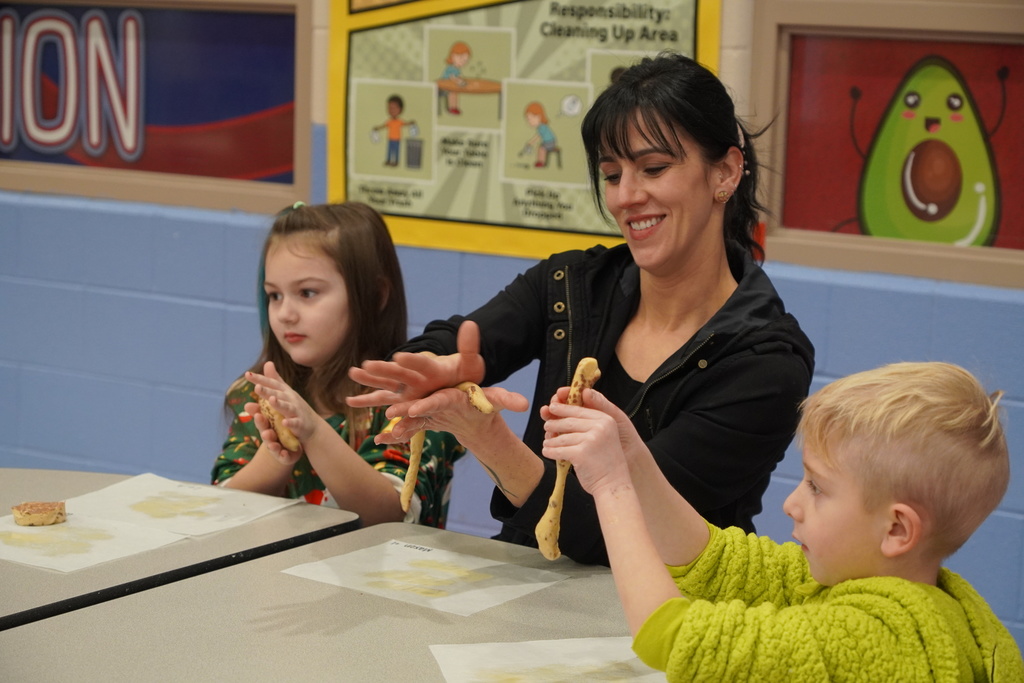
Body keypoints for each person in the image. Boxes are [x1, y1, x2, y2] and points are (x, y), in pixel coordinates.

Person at [349, 52, 815, 564]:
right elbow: (455, 341)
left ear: (725, 171)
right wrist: (434, 367)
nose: (627, 197)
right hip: (532, 588)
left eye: (654, 168)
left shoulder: (765, 362)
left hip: (667, 615)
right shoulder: (572, 284)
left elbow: (614, 533)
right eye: (612, 175)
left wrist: (486, 437)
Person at [541, 361, 1023, 680]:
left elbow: (673, 635)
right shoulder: (887, 588)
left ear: (896, 529)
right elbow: (720, 562)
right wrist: (634, 461)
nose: (792, 504)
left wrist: (611, 486)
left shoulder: (877, 639)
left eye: (817, 486)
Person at [212, 201, 463, 527]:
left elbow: (389, 515)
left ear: (374, 295)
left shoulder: (418, 399)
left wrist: (313, 432)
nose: (285, 313)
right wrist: (277, 455)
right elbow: (223, 509)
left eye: (307, 292)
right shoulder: (257, 393)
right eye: (275, 295)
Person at [373, 95, 415, 167]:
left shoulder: (399, 121)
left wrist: (410, 123)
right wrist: (377, 128)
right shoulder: (389, 121)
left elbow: (405, 124)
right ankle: (389, 160)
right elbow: (383, 126)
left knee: (396, 151)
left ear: (400, 109)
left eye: (394, 108)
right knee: (389, 150)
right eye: (389, 108)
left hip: (397, 139)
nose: (392, 110)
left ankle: (396, 161)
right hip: (390, 138)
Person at [521, 101, 557, 167]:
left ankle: (541, 162)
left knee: (541, 149)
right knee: (540, 148)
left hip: (550, 142)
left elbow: (537, 137)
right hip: (548, 142)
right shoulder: (541, 127)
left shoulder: (542, 127)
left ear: (538, 117)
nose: (529, 122)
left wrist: (530, 142)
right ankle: (540, 161)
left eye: (530, 119)